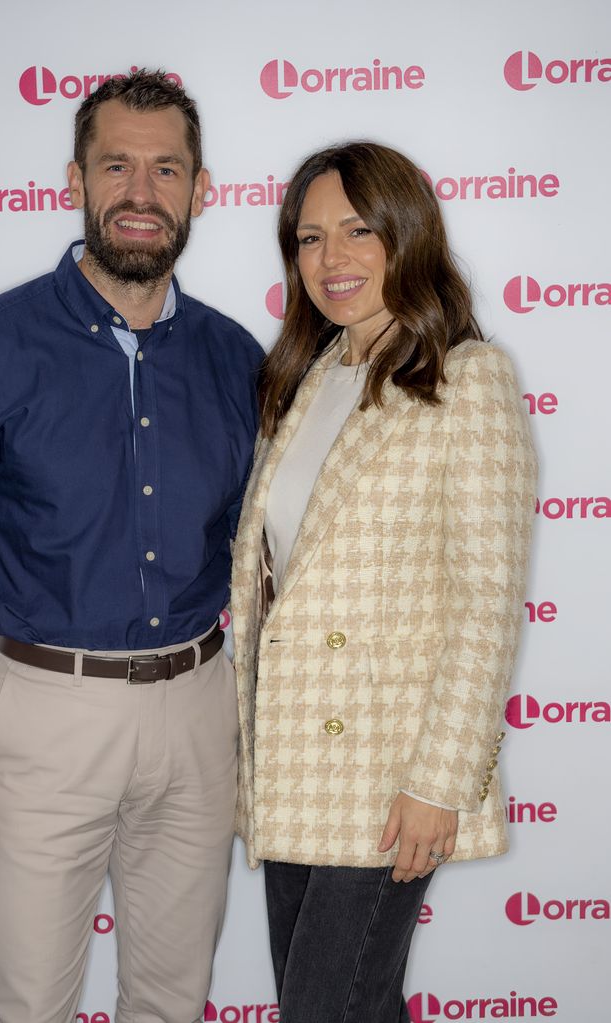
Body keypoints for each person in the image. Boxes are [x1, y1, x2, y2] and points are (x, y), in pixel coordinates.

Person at [0, 70, 264, 1023]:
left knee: (173, 996)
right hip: (49, 718)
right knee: (26, 998)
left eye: (166, 169)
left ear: (200, 188)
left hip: (198, 707)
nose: (141, 192)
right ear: (75, 179)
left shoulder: (238, 359)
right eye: (118, 166)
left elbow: (263, 551)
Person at [230, 141, 537, 1023]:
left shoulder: (467, 378)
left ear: (407, 235)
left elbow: (485, 604)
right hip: (295, 762)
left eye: (359, 231)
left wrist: (441, 781)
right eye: (311, 237)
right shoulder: (307, 375)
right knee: (348, 1005)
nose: (333, 259)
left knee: (326, 1009)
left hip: (390, 771)